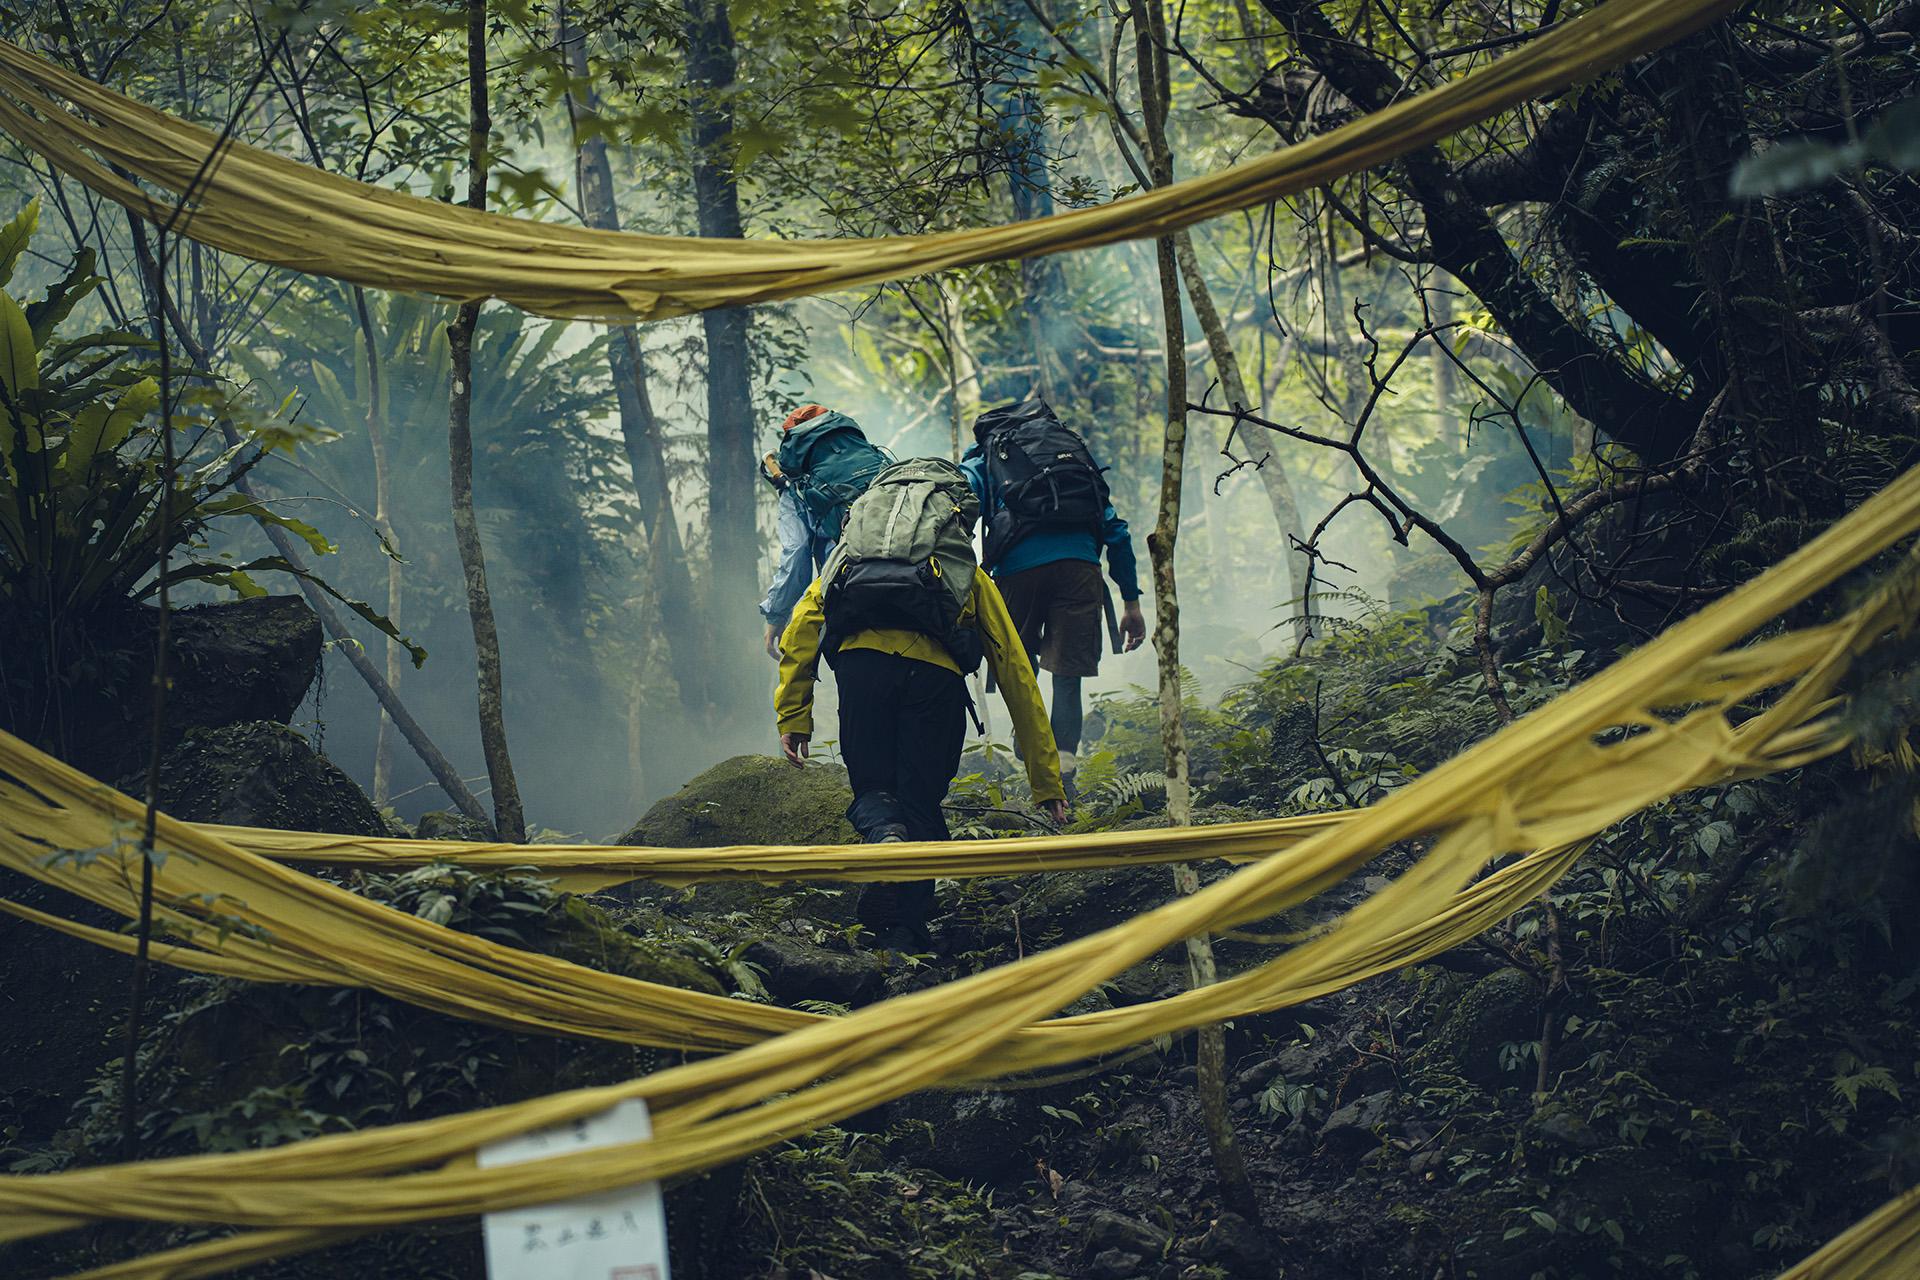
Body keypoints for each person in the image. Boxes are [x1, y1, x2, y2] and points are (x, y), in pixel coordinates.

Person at [775, 458, 1068, 949]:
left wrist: (794, 715)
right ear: (954, 519)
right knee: (922, 802)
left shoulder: (848, 558)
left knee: (873, 790)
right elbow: (1015, 668)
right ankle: (908, 928)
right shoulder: (960, 570)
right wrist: (1046, 780)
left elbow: (801, 629)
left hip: (862, 671)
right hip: (935, 683)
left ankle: (886, 845)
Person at [960, 398, 1146, 789]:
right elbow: (1117, 532)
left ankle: (1033, 763)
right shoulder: (1069, 456)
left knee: (1019, 671)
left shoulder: (987, 455)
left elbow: (960, 505)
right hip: (1080, 570)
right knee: (1067, 676)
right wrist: (1131, 602)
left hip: (1017, 572)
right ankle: (1064, 765)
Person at [758, 404, 887, 658]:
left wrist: (777, 614)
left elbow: (796, 553)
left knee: (798, 661)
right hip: (914, 572)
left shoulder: (796, 486)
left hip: (849, 590)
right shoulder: (877, 461)